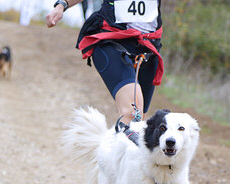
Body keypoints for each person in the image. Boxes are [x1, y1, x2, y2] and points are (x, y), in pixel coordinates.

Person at [46, 0, 164, 140]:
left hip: (147, 48)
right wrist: (62, 5)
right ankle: (114, 158)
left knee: (138, 123)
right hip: (112, 42)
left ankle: (113, 157)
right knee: (132, 114)